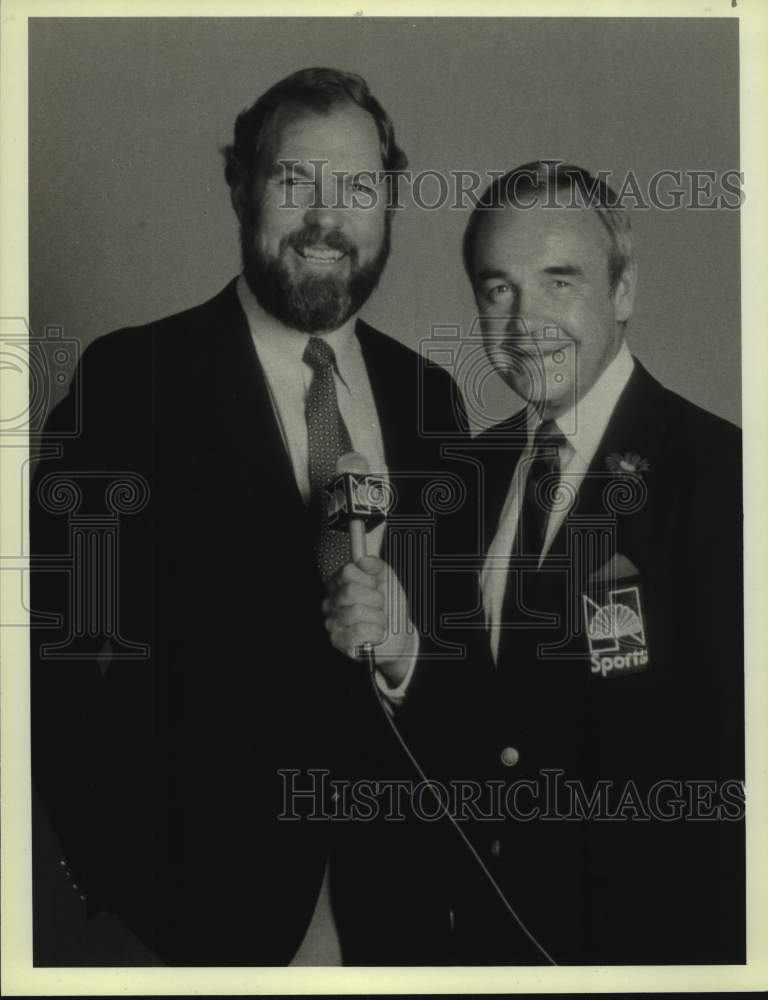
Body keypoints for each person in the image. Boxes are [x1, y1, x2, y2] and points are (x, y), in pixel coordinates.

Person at [30, 67, 471, 967]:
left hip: (404, 915)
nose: (325, 217)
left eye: (356, 187)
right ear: (241, 186)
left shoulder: (434, 401)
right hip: (202, 922)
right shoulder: (127, 385)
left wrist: (403, 654)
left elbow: (463, 662)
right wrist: (128, 887)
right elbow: (63, 659)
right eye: (292, 181)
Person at [327, 161, 745, 964]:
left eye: (560, 283)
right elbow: (486, 731)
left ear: (623, 292)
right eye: (498, 290)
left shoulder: (723, 479)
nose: (526, 323)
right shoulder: (463, 481)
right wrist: (405, 653)